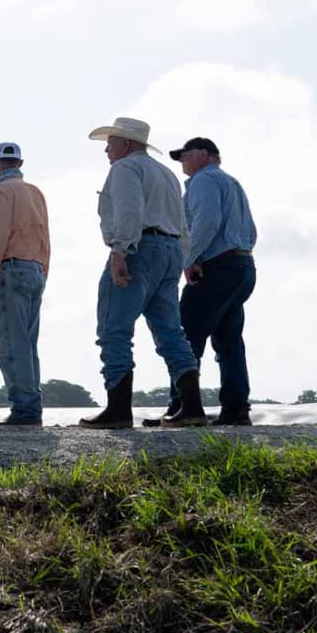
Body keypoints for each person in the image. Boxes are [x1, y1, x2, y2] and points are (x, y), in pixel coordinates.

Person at [80, 117, 207, 429]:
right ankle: (192, 408)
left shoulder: (124, 169)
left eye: (110, 142)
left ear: (126, 144)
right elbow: (182, 223)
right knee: (170, 332)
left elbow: (129, 210)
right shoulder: (166, 173)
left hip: (140, 249)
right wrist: (187, 260)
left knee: (114, 329)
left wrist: (119, 250)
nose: (107, 149)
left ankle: (118, 410)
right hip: (170, 251)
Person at [159, 136, 258, 426]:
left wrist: (189, 260)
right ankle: (236, 408)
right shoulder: (232, 183)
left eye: (184, 155)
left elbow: (207, 221)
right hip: (241, 263)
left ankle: (183, 406)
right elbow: (251, 230)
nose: (181, 161)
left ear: (203, 154)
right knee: (229, 340)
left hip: (217, 266)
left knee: (186, 336)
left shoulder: (204, 181)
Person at [0, 141, 51, 426]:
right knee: (29, 344)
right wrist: (44, 270)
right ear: (20, 163)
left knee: (10, 343)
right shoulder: (35, 192)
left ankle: (24, 408)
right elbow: (46, 236)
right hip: (36, 269)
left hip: (12, 269)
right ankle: (32, 406)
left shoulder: (0, 192)